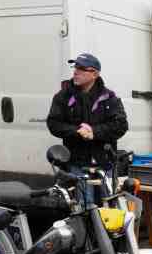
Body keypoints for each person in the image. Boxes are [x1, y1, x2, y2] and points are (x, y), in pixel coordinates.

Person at [47, 53, 129, 203]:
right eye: (75, 67)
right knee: (83, 208)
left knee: (109, 208)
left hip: (105, 166)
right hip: (76, 164)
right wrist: (77, 131)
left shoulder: (109, 98)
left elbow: (121, 125)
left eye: (82, 68)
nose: (76, 71)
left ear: (95, 74)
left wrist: (94, 132)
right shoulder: (63, 96)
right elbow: (53, 124)